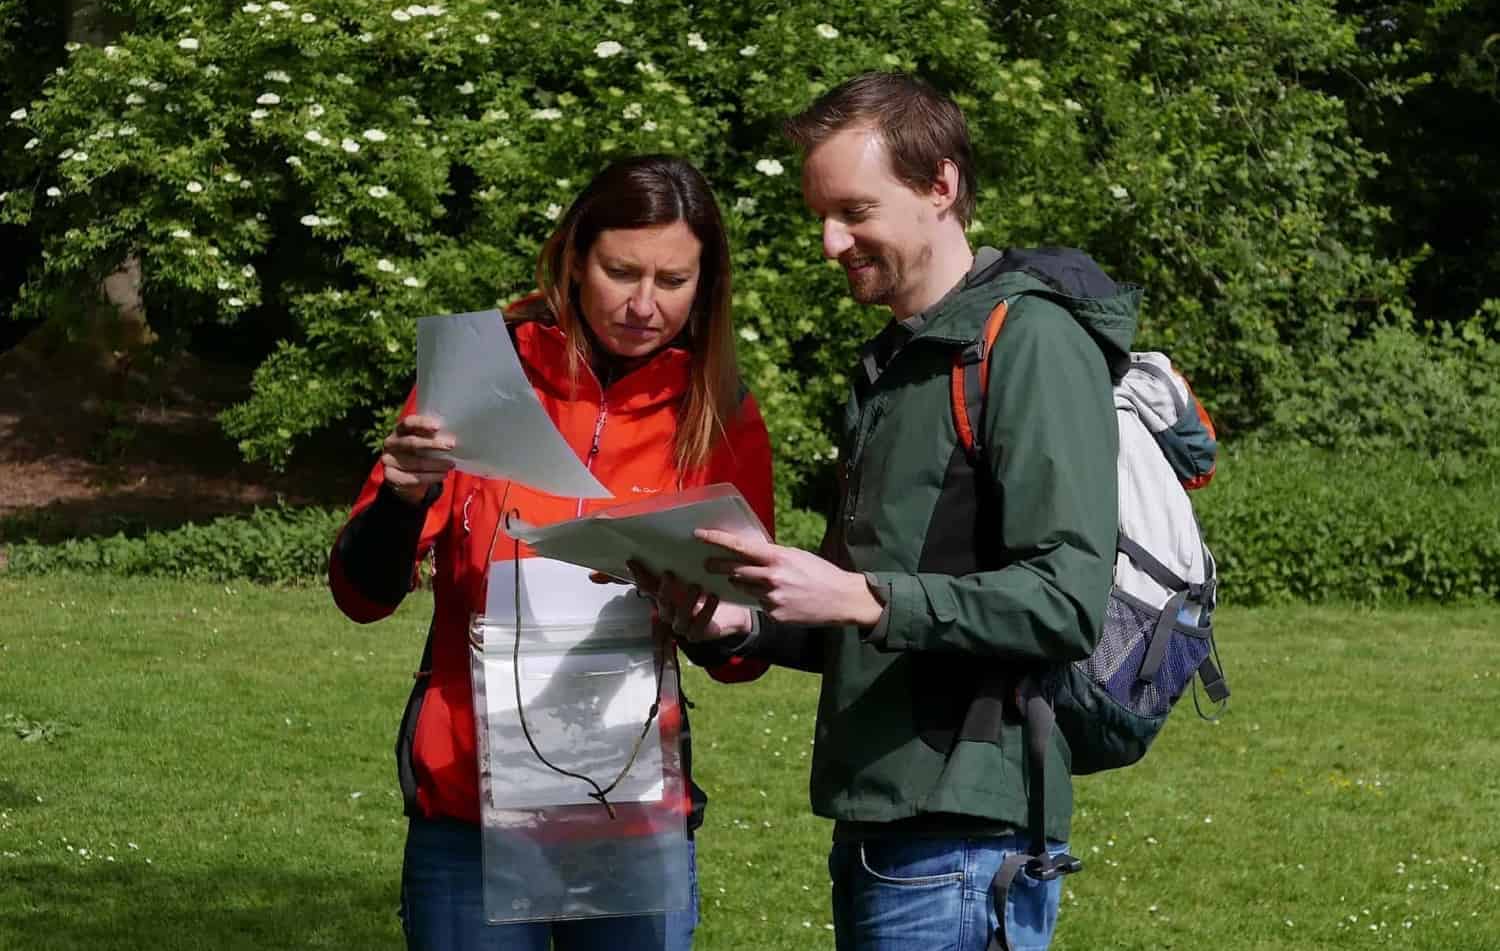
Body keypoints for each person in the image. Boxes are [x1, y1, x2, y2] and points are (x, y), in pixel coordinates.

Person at [652, 73, 1137, 951]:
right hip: (884, 823)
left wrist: (862, 597)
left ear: (940, 186)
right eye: (821, 216)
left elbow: (1066, 600)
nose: (832, 241)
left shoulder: (1028, 342)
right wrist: (743, 622)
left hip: (964, 837)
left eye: (855, 210)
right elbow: (869, 607)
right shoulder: (898, 367)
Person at [328, 154, 775, 951]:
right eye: (620, 271)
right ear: (574, 258)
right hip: (469, 811)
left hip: (630, 809)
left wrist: (723, 625)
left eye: (673, 281)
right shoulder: (479, 372)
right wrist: (403, 498)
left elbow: (748, 648)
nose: (644, 305)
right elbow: (362, 594)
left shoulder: (721, 410)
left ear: (707, 284)